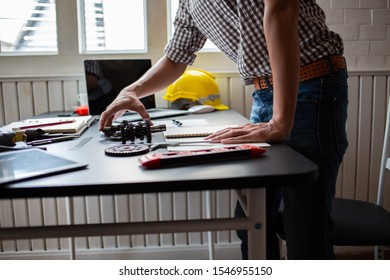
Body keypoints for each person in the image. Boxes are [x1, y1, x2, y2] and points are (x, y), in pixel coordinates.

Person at [98, 0, 348, 260]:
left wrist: (280, 122)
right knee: (252, 219)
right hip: (264, 95)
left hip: (312, 85)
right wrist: (130, 91)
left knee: (305, 228)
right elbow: (176, 57)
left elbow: (282, 9)